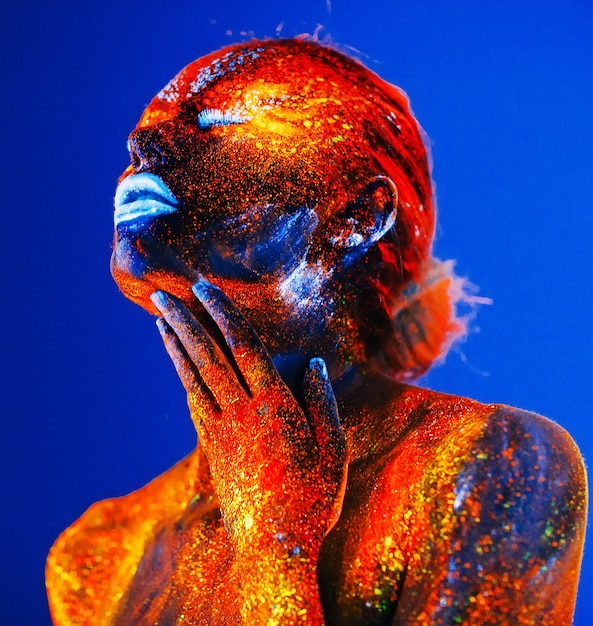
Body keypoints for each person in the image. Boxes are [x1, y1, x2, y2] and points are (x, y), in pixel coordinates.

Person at [46, 38, 587, 625]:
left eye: (219, 120)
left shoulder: (491, 466)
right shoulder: (98, 556)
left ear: (356, 216)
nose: (143, 143)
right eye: (153, 125)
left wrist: (275, 551)